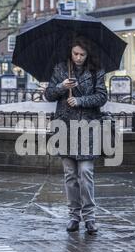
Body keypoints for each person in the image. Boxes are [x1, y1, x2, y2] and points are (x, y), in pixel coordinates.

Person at [45, 37, 107, 235]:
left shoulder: (96, 71)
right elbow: (48, 95)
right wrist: (62, 86)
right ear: (70, 53)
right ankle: (74, 216)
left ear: (87, 55)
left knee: (86, 173)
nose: (78, 57)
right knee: (70, 175)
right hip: (65, 126)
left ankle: (90, 218)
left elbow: (102, 97)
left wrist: (80, 100)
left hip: (88, 127)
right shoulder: (60, 69)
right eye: (75, 54)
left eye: (82, 54)